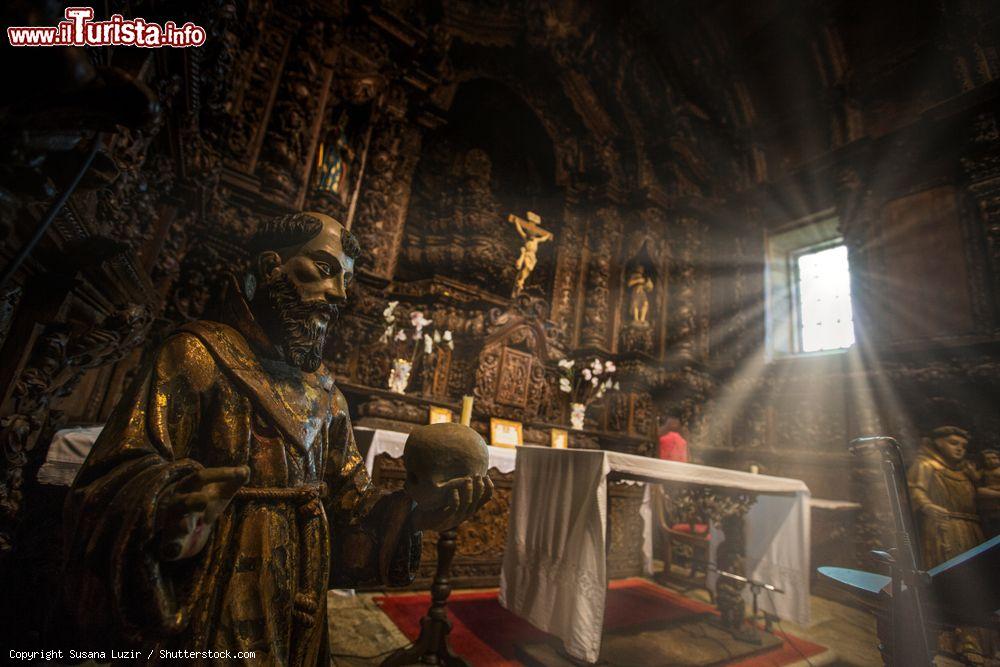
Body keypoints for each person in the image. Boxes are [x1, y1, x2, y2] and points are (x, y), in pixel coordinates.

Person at [59, 212, 491, 665]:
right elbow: (114, 475)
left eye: (345, 280)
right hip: (217, 585)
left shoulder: (326, 394)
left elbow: (350, 506)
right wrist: (174, 500)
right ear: (270, 267)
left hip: (296, 593)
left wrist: (414, 511)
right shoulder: (197, 354)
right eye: (324, 270)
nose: (339, 294)